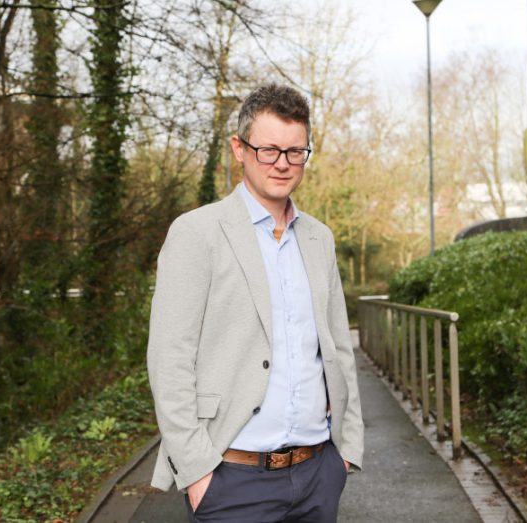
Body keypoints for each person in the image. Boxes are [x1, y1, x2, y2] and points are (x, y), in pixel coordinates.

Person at [146, 83, 364, 522]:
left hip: (318, 472)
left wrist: (347, 450)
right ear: (239, 149)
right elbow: (169, 360)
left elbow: (339, 348)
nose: (282, 164)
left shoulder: (319, 238)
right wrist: (197, 474)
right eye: (268, 150)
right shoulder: (197, 233)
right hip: (230, 479)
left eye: (295, 151)